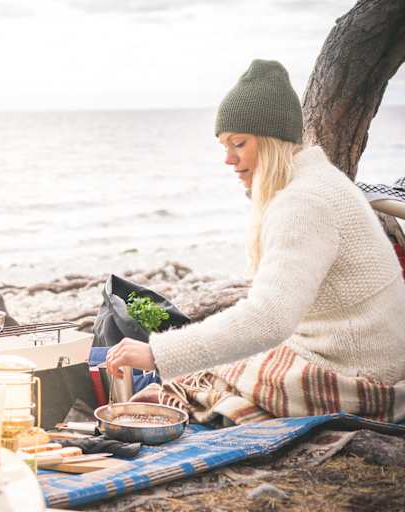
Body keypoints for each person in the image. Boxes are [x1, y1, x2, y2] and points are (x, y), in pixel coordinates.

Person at [106, 59, 405, 425]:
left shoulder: (303, 202)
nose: (228, 160)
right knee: (212, 369)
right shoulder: (316, 180)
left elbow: (267, 319)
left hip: (361, 369)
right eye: (224, 145)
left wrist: (157, 352)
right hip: (371, 350)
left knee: (196, 383)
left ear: (271, 141)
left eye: (238, 144)